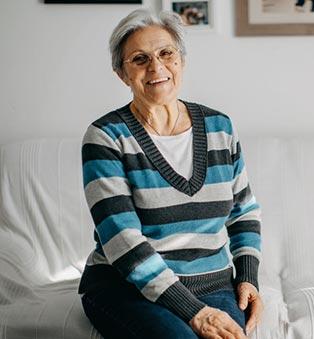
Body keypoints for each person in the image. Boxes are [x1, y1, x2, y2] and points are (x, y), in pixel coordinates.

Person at [78, 8, 263, 339]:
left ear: (182, 61)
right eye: (139, 59)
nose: (156, 67)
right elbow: (122, 240)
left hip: (213, 284)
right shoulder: (106, 137)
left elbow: (243, 212)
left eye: (166, 53)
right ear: (122, 73)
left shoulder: (220, 128)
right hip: (126, 287)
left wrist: (248, 276)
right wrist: (193, 313)